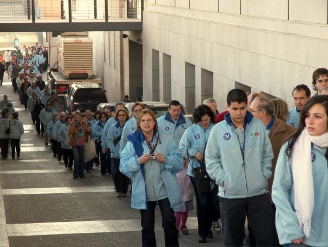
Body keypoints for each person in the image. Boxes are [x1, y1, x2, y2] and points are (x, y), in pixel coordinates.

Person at [205, 89, 276, 246]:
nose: (239, 113)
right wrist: (223, 179)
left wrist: (264, 175)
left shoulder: (258, 126)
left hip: (258, 192)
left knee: (266, 238)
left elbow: (267, 154)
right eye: (235, 108)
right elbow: (211, 159)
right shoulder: (218, 130)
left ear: (247, 106)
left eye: (242, 108)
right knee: (233, 240)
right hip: (230, 194)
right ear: (227, 107)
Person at [120, 109, 183, 247]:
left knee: (169, 224)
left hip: (165, 191)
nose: (146, 123)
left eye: (149, 120)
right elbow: (123, 166)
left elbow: (179, 162)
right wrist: (137, 161)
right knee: (147, 227)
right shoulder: (133, 142)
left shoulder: (166, 139)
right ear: (139, 124)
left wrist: (166, 159)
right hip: (145, 193)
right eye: (143, 121)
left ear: (154, 122)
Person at [272, 95, 328, 247]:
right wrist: (292, 228)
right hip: (300, 238)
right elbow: (279, 191)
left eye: (317, 117)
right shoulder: (292, 148)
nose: (309, 121)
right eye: (307, 115)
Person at [179, 104, 216, 243]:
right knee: (202, 202)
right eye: (201, 120)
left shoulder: (216, 129)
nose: (204, 123)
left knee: (213, 203)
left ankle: (209, 226)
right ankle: (203, 232)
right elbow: (182, 147)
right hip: (196, 172)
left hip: (214, 171)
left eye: (206, 120)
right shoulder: (190, 130)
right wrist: (194, 153)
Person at [107, 108, 130, 197]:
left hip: (126, 154)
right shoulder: (113, 127)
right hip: (115, 154)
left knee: (125, 172)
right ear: (117, 116)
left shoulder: (128, 127)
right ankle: (118, 189)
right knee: (116, 172)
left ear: (126, 116)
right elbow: (109, 139)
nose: (121, 117)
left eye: (123, 115)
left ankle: (124, 190)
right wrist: (113, 149)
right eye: (119, 115)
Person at [68, 111, 91, 179]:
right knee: (76, 158)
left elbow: (88, 132)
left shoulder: (85, 123)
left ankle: (81, 173)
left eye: (78, 117)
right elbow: (70, 132)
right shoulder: (72, 123)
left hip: (82, 143)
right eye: (75, 117)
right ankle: (75, 174)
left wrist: (89, 131)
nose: (77, 118)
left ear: (81, 117)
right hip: (75, 143)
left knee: (82, 159)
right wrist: (74, 124)